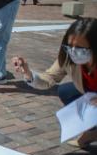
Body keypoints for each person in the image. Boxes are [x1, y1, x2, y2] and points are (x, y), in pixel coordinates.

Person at [12, 18, 97, 147]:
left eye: (80, 48)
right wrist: (28, 73)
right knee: (66, 91)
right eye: (70, 46)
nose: (73, 51)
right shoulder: (68, 56)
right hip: (91, 94)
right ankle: (93, 130)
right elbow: (48, 79)